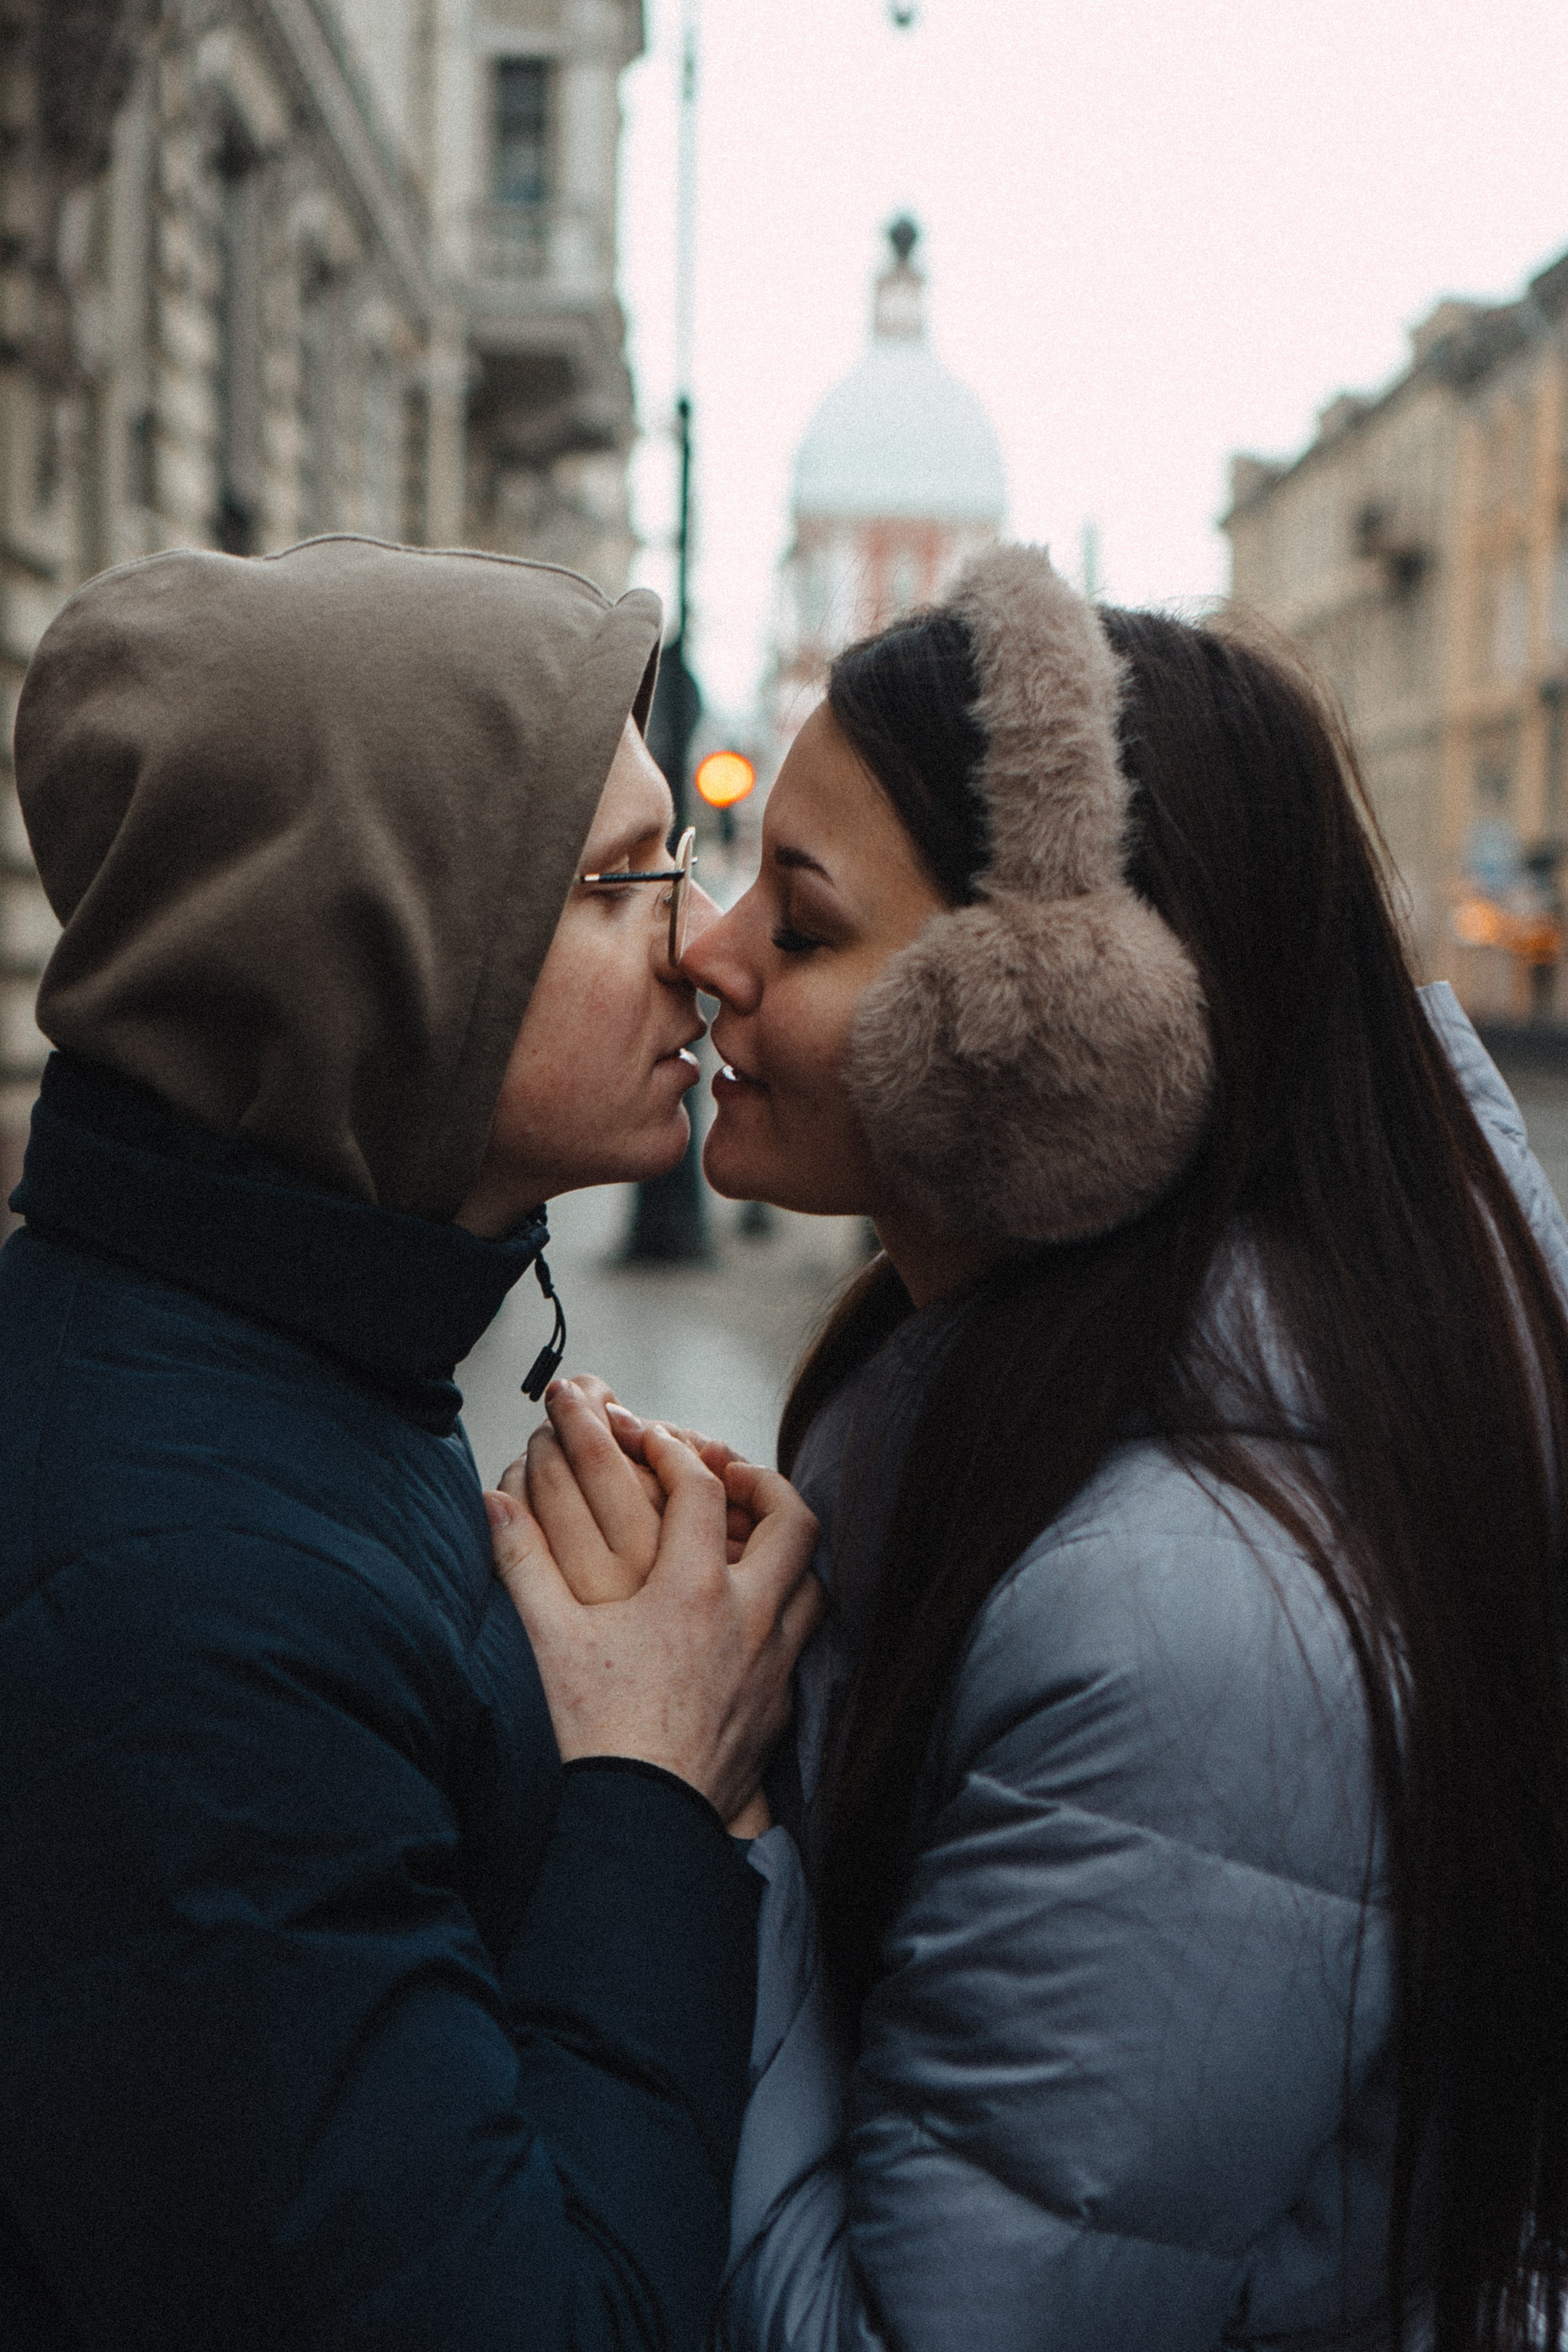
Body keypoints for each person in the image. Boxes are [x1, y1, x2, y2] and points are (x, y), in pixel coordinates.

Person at [496, 546, 1568, 2351]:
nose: (704, 946)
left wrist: (697, 1792)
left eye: (808, 925)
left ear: (1069, 1041)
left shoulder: (1196, 1637)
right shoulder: (1005, 1417)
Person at [0, 534, 821, 2351]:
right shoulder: (184, 1612)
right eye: (622, 883)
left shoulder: (302, 1368)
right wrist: (652, 1786)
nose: (701, 944)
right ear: (380, 955)